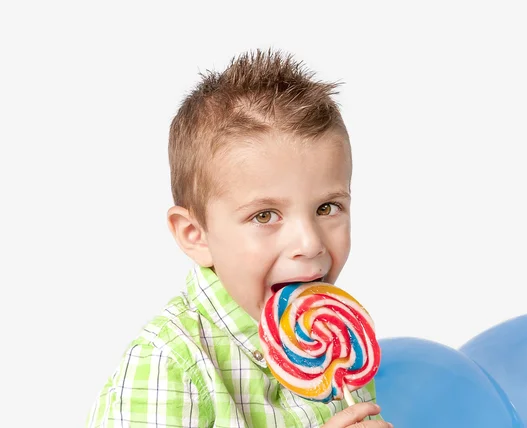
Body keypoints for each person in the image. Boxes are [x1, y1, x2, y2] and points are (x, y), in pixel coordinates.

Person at [86, 48, 391, 428]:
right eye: (265, 215)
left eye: (327, 208)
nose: (310, 243)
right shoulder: (170, 363)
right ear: (196, 235)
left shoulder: (340, 352)